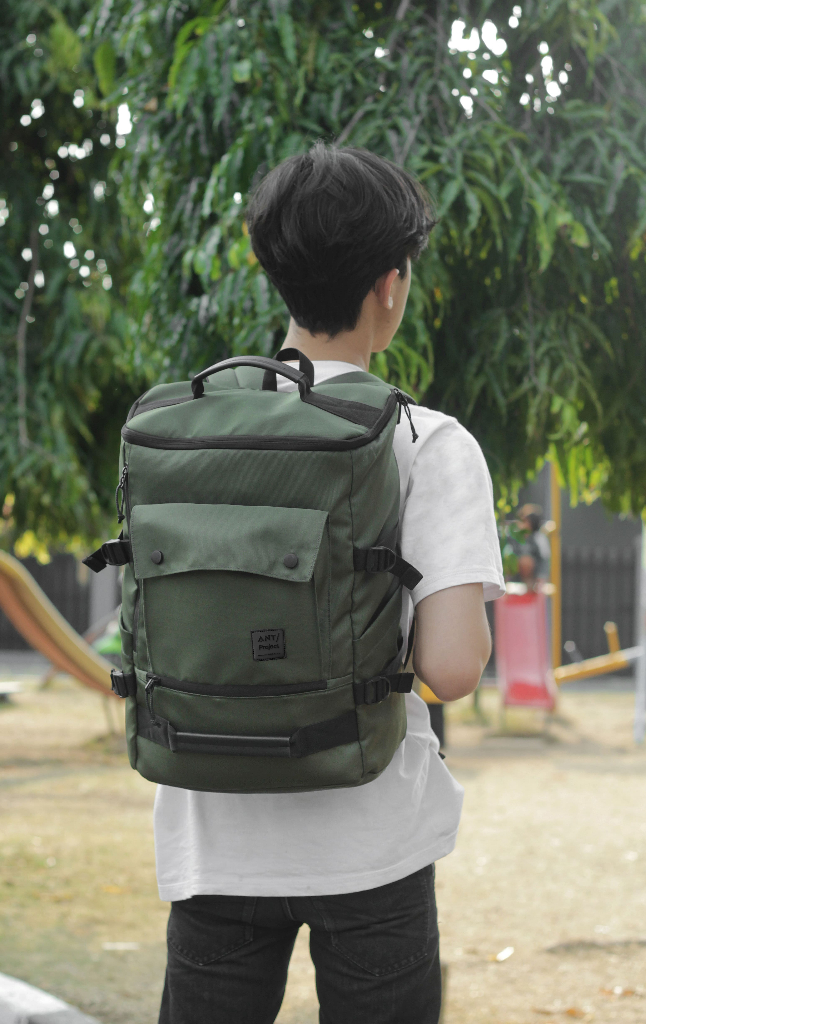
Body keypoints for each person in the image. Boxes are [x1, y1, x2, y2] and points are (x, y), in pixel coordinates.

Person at [153, 143, 505, 1024]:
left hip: (213, 836)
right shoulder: (427, 441)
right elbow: (453, 669)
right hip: (372, 842)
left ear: (272, 269)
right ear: (390, 284)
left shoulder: (185, 430)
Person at [514, 503, 550, 591]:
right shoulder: (515, 538)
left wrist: (541, 577)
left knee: (526, 561)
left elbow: (544, 558)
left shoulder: (539, 538)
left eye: (524, 521)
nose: (520, 524)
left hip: (534, 578)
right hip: (517, 577)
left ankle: (530, 585)